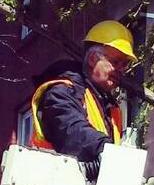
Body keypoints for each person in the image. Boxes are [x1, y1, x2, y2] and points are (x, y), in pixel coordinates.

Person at [30, 20, 136, 170]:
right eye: (115, 61)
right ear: (93, 59)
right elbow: (72, 132)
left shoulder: (110, 108)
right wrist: (105, 148)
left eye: (124, 64)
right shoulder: (62, 92)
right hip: (47, 184)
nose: (120, 69)